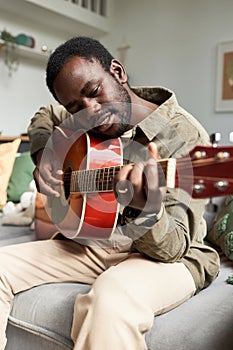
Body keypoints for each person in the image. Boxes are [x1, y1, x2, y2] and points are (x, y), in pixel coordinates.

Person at [0, 36, 220, 350]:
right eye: (75, 108)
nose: (90, 112)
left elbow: (172, 248)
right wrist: (44, 154)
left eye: (94, 92)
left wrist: (144, 209)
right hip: (92, 241)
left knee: (110, 300)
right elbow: (44, 116)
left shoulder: (183, 134)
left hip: (169, 257)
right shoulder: (80, 111)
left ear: (117, 71)